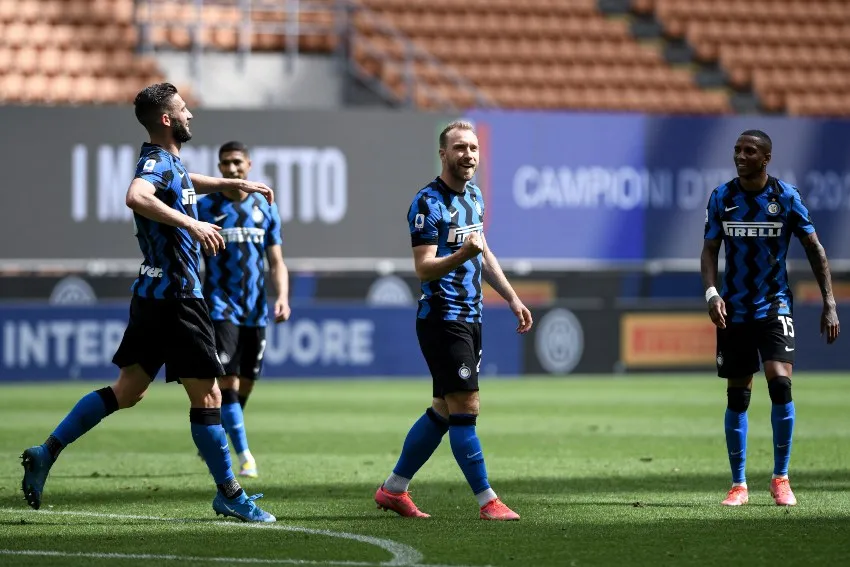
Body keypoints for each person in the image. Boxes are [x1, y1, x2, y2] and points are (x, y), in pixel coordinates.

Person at [20, 83, 276, 522]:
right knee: (210, 396)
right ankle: (230, 493)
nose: (190, 114)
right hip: (179, 297)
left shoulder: (168, 161)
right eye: (182, 109)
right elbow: (136, 195)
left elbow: (184, 181)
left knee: (128, 390)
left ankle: (47, 451)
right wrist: (192, 224)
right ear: (166, 119)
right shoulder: (156, 161)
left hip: (151, 295)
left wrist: (233, 184)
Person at [374, 120, 533, 521]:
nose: (468, 155)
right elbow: (424, 268)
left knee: (444, 410)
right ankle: (487, 501)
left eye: (474, 148)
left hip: (471, 315)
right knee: (466, 405)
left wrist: (512, 297)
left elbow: (483, 251)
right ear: (443, 154)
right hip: (443, 318)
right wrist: (463, 254)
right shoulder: (427, 202)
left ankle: (393, 490)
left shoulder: (475, 197)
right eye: (459, 148)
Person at [701, 129, 840, 507]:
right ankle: (739, 484)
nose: (740, 156)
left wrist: (829, 301)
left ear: (766, 159)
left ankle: (781, 478)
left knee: (780, 384)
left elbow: (815, 249)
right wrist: (712, 293)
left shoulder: (785, 197)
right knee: (738, 396)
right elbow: (710, 250)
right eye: (737, 150)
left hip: (774, 305)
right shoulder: (721, 198)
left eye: (749, 151)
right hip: (736, 309)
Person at [196, 141, 291, 478]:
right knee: (228, 381)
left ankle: (218, 426)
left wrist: (283, 296)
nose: (232, 169)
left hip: (255, 308)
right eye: (225, 164)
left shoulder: (266, 208)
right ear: (219, 169)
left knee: (246, 383)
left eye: (237, 162)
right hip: (221, 305)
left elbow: (276, 260)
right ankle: (245, 455)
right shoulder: (205, 207)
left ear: (249, 165)